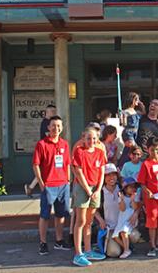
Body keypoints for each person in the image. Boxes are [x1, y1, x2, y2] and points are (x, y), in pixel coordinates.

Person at [32, 116, 72, 255]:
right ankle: (43, 242)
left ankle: (59, 240)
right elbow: (36, 165)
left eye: (59, 126)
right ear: (48, 127)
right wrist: (41, 183)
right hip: (48, 185)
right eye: (53, 125)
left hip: (63, 185)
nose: (56, 128)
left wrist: (68, 180)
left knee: (61, 214)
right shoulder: (42, 144)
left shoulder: (64, 144)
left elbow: (67, 163)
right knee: (45, 215)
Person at [71, 127, 107, 266]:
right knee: (80, 221)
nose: (91, 141)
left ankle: (87, 250)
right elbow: (78, 173)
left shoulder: (100, 152)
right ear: (83, 138)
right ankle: (78, 253)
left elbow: (102, 172)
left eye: (94, 138)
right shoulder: (79, 151)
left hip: (95, 189)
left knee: (89, 222)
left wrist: (98, 190)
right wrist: (88, 190)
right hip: (82, 188)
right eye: (88, 138)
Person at [25, 105, 58, 197]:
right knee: (43, 169)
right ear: (47, 112)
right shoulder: (45, 123)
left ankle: (31, 188)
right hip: (45, 149)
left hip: (51, 149)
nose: (53, 113)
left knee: (46, 169)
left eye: (54, 111)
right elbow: (49, 135)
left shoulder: (50, 122)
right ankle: (32, 187)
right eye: (52, 111)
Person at [112, 177, 141, 259]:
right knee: (115, 236)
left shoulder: (135, 196)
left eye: (134, 187)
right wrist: (121, 200)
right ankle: (127, 248)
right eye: (131, 187)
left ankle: (126, 250)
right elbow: (122, 208)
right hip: (122, 218)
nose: (133, 189)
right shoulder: (121, 196)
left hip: (130, 218)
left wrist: (132, 200)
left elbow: (135, 207)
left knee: (123, 232)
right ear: (125, 188)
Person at [94, 163, 120, 239]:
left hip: (122, 227)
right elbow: (94, 209)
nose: (111, 178)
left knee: (135, 236)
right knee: (114, 251)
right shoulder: (100, 192)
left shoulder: (122, 188)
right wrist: (101, 220)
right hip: (108, 228)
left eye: (113, 175)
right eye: (108, 175)